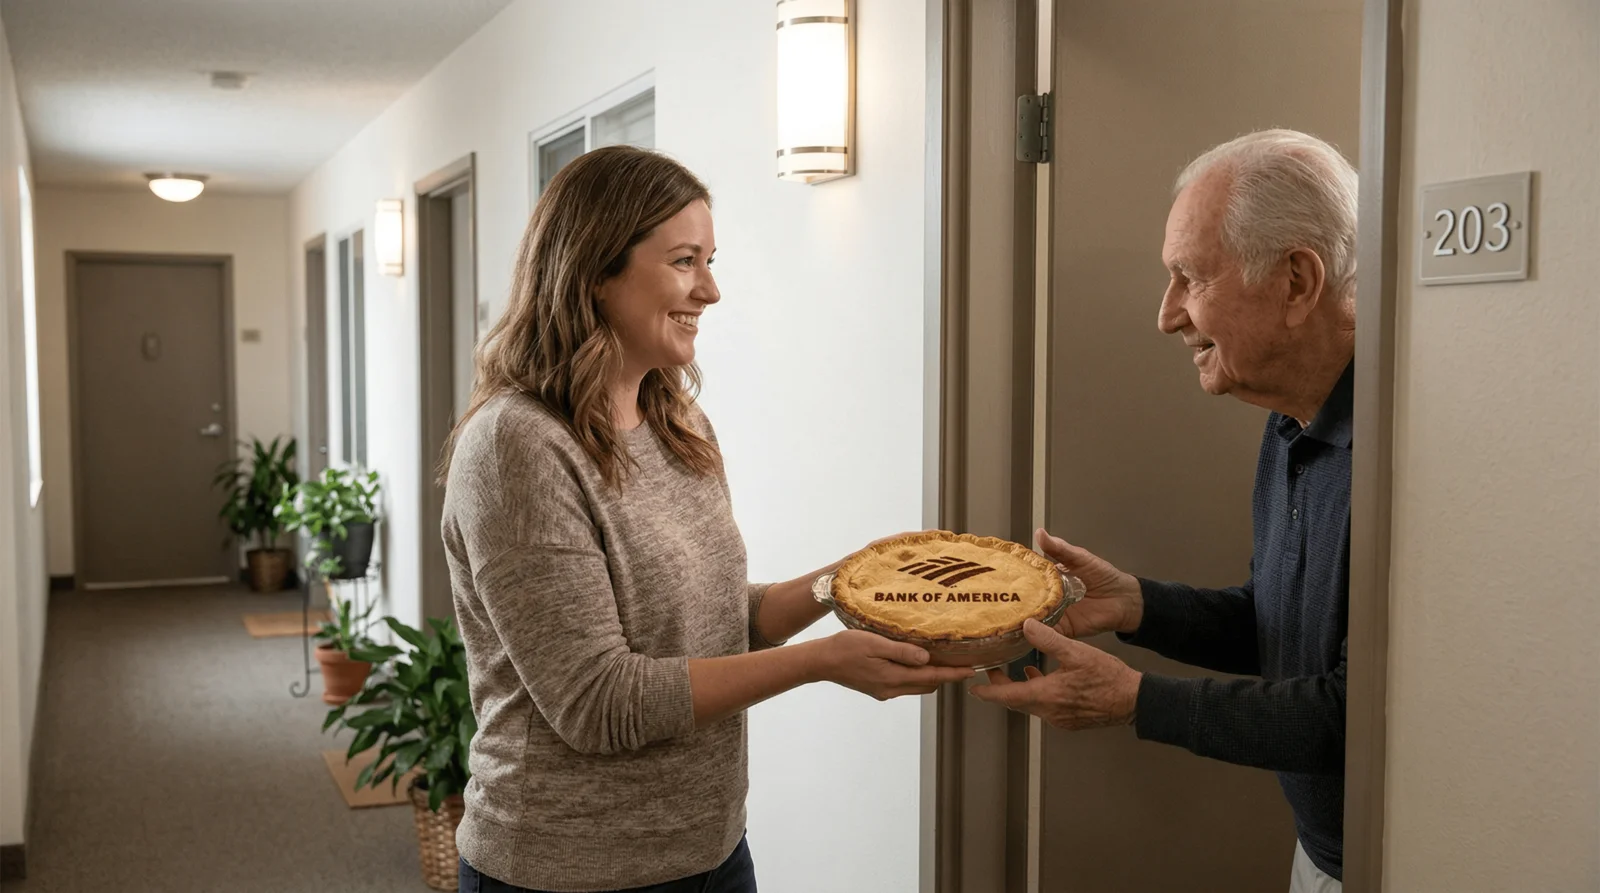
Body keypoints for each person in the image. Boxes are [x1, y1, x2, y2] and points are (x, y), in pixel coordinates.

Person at [438, 145, 971, 893]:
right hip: (568, 869)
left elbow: (718, 619)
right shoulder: (516, 446)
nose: (711, 290)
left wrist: (851, 580)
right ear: (595, 271)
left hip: (711, 850)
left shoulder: (675, 419)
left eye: (709, 260)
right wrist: (820, 662)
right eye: (685, 261)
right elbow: (598, 700)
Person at [971, 129, 1356, 893]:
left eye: (1190, 277)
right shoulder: (1290, 425)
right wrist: (1136, 604)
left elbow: (1350, 713)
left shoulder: (1401, 463)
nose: (1167, 314)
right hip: (1318, 857)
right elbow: (1278, 635)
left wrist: (1134, 699)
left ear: (1297, 282)